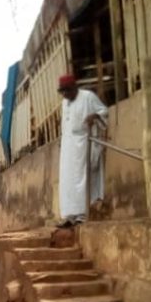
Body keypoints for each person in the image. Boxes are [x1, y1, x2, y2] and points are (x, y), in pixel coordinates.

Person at [56, 73, 108, 226]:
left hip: (84, 143)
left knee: (83, 178)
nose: (65, 94)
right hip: (68, 146)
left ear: (74, 87)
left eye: (67, 90)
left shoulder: (88, 97)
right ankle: (69, 215)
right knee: (67, 180)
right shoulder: (64, 103)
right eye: (62, 92)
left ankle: (82, 214)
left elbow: (104, 112)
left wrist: (95, 116)